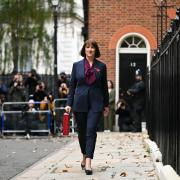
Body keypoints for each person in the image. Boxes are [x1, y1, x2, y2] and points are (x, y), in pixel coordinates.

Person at [65, 39, 109, 175]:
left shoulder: (101, 66)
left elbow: (104, 87)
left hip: (96, 103)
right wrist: (68, 103)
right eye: (87, 47)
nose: (90, 49)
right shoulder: (76, 65)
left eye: (92, 47)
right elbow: (72, 86)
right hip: (80, 102)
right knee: (82, 132)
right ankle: (84, 154)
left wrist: (106, 105)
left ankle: (89, 161)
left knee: (91, 131)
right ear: (84, 50)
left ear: (96, 50)